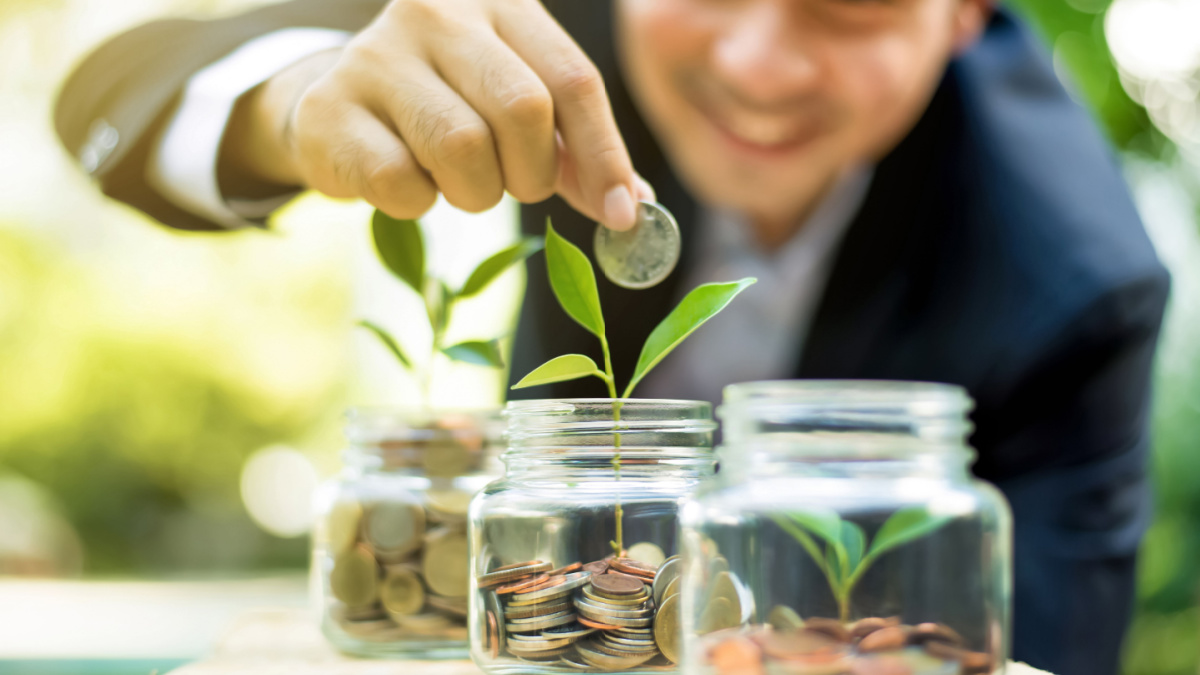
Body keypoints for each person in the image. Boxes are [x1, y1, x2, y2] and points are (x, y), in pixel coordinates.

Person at [53, 1, 1169, 673]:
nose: (759, 65)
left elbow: (1039, 645)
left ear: (966, 12)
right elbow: (114, 100)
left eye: (851, 6)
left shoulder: (1072, 280)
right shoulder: (543, 29)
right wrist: (298, 100)